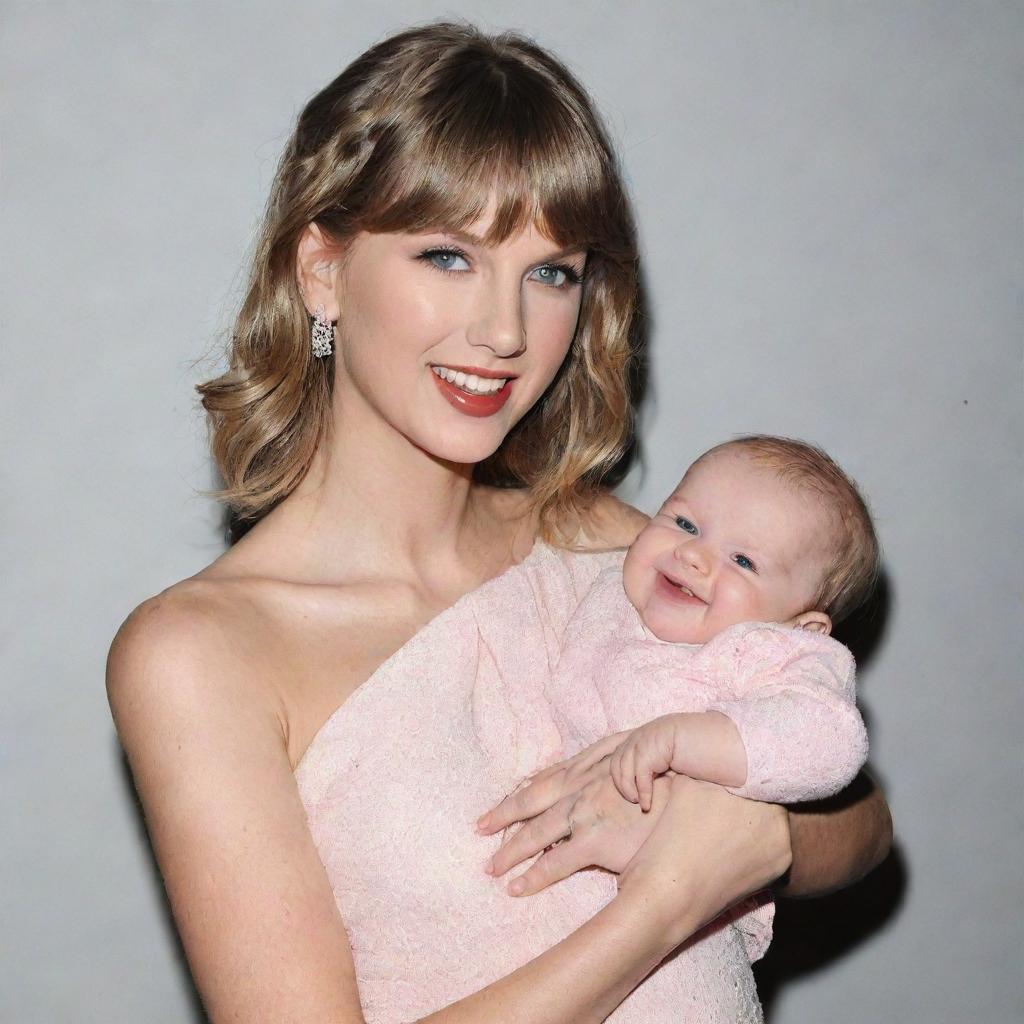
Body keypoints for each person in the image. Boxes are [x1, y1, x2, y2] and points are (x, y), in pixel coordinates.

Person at [105, 22, 892, 1024]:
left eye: (551, 271)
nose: (506, 331)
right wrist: (664, 902)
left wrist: (766, 838)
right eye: (448, 256)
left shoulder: (618, 548)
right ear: (323, 270)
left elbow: (861, 817)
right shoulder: (200, 654)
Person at [478, 435, 875, 991]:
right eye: (686, 524)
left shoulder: (767, 653)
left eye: (743, 560)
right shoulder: (609, 589)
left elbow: (832, 740)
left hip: (681, 941)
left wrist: (690, 740)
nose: (693, 555)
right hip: (552, 890)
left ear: (798, 627)